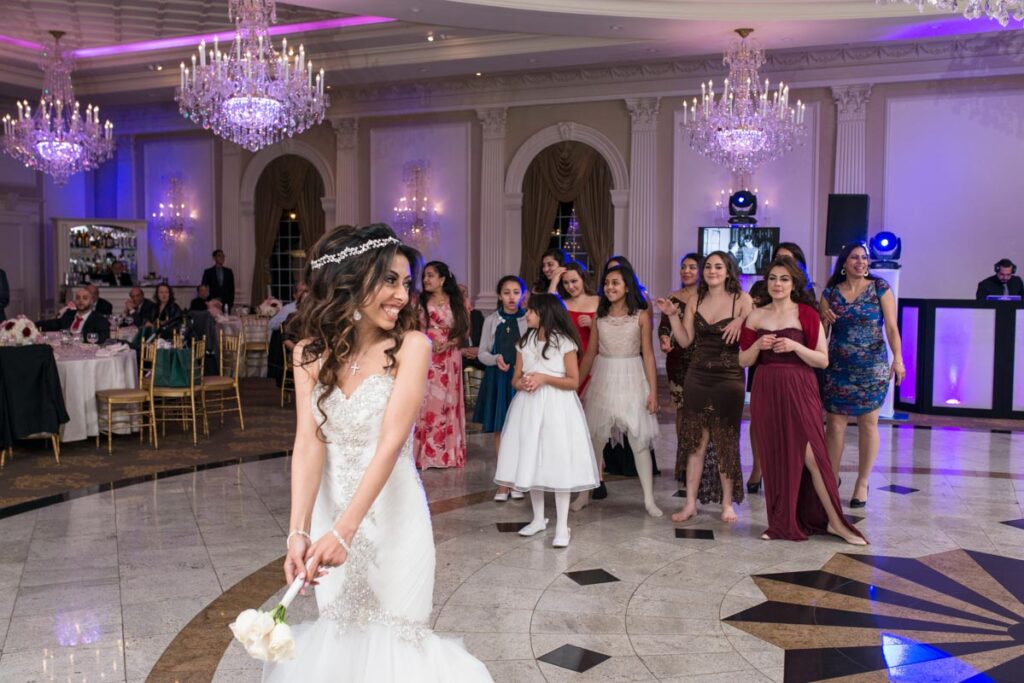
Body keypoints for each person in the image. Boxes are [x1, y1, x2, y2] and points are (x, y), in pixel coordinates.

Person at [269, 223, 492, 683]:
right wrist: (298, 531)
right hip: (331, 514)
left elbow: (392, 443)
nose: (401, 295)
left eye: (406, 283)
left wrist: (344, 533)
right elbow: (308, 442)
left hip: (393, 516)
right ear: (352, 280)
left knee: (399, 642)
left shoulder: (413, 346)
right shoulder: (309, 353)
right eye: (389, 280)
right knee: (342, 638)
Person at [739, 257, 866, 545]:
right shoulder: (756, 316)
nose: (777, 284)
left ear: (794, 283)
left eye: (784, 279)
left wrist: (795, 346)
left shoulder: (807, 314)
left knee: (811, 455)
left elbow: (822, 360)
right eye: (773, 278)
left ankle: (836, 522)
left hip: (800, 386)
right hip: (766, 387)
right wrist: (758, 345)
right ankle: (781, 522)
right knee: (775, 453)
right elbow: (743, 360)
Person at [494, 293, 599, 548]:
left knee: (558, 460)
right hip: (528, 407)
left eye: (530, 311)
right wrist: (524, 382)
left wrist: (544, 378)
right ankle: (538, 518)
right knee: (532, 459)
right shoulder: (525, 342)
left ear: (545, 313)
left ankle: (563, 525)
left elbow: (573, 381)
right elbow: (515, 378)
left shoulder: (564, 342)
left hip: (558, 407)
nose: (526, 314)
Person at [656, 251, 753, 523]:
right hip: (696, 376)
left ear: (728, 270)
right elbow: (685, 341)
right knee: (696, 442)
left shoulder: (742, 300)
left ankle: (727, 505)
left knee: (725, 440)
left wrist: (741, 321)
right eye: (708, 266)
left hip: (729, 377)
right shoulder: (695, 299)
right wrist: (673, 316)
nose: (712, 271)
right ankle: (690, 504)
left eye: (718, 266)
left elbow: (758, 325)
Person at [820, 242, 904, 509]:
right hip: (838, 369)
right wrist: (821, 316)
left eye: (864, 258)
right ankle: (830, 479)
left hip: (872, 369)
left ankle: (862, 482)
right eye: (854, 258)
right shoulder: (830, 293)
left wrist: (898, 359)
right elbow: (822, 336)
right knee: (834, 426)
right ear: (843, 263)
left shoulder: (880, 288)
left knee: (868, 424)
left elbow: (891, 327)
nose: (861, 262)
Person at [574, 263, 662, 517]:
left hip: (633, 376)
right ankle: (584, 493)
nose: (609, 287)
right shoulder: (598, 317)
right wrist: (575, 387)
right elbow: (590, 354)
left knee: (638, 439)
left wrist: (653, 391)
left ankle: (648, 499)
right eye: (607, 283)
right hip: (604, 376)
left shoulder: (641, 315)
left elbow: (648, 354)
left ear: (626, 287)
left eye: (615, 283)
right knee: (595, 439)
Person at [745, 241, 816, 493]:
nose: (778, 281)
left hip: (797, 365)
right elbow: (747, 322)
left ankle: (797, 474)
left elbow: (815, 336)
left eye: (789, 262)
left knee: (796, 424)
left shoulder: (806, 298)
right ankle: (758, 466)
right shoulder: (759, 290)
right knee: (761, 418)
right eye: (778, 259)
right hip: (764, 362)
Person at [472, 276, 528, 502]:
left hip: (521, 379)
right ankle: (504, 482)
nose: (511, 297)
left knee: (522, 429)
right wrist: (495, 359)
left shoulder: (528, 319)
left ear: (523, 295)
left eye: (516, 292)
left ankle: (520, 480)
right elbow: (482, 352)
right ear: (499, 295)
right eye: (507, 292)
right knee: (501, 429)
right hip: (498, 378)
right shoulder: (492, 320)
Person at [414, 261, 469, 469]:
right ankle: (424, 455)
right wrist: (428, 338)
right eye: (425, 276)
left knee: (448, 402)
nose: (426, 279)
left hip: (450, 357)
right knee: (426, 402)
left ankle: (447, 454)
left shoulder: (457, 301)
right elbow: (412, 328)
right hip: (426, 356)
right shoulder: (419, 301)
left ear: (443, 279)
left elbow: (464, 330)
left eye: (431, 275)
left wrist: (450, 343)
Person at [658, 253, 704, 486]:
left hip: (702, 361)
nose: (686, 271)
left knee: (701, 411)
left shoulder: (708, 297)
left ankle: (701, 459)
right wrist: (665, 340)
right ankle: (683, 458)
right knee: (681, 411)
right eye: (683, 267)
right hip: (677, 361)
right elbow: (664, 327)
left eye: (692, 267)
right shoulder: (672, 297)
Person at [558, 261, 600, 397]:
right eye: (565, 282)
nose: (570, 286)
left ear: (584, 278)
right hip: (568, 358)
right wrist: (554, 280)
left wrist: (592, 325)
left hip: (593, 358)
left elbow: (611, 332)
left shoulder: (598, 301)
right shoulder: (561, 303)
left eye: (574, 281)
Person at [37, 287, 110, 343]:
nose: (80, 301)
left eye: (85, 298)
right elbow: (53, 324)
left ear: (91, 301)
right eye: (78, 298)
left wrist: (74, 337)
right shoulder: (69, 314)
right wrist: (30, 324)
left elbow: (103, 339)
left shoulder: (100, 320)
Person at [457, 283, 486, 372]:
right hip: (460, 357)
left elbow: (485, 339)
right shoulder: (449, 316)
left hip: (477, 356)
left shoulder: (476, 315)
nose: (463, 296)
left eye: (465, 293)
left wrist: (479, 350)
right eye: (459, 293)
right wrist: (463, 351)